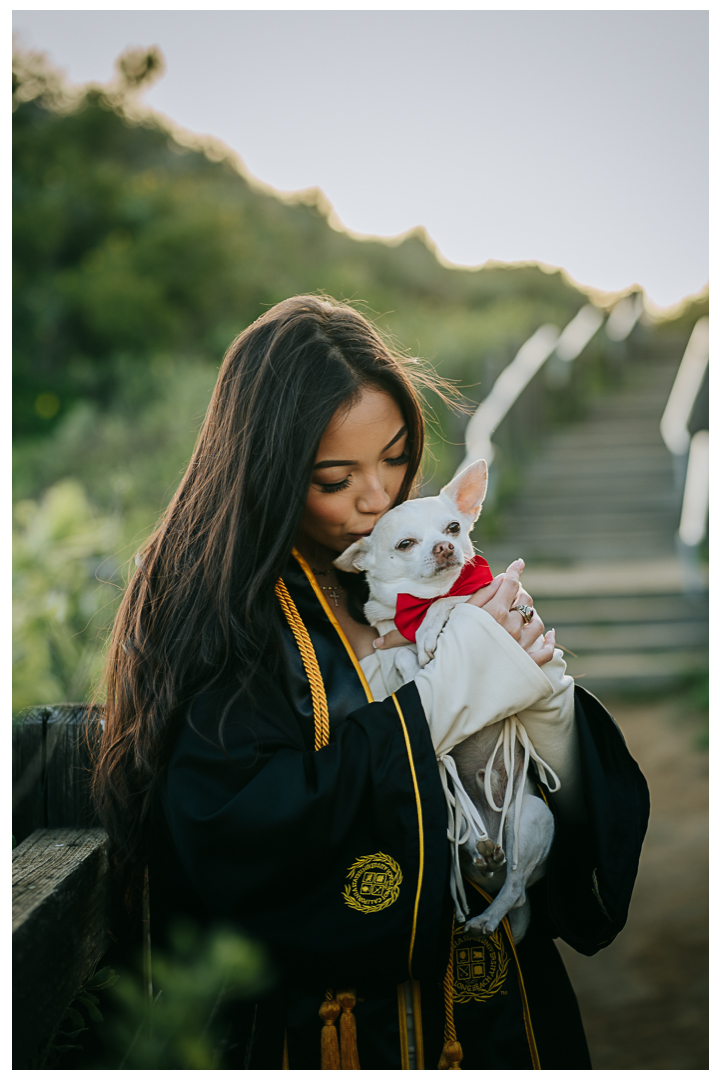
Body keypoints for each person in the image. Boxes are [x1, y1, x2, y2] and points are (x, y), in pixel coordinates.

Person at [93, 294, 650, 1070]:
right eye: (335, 476)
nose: (378, 497)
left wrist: (546, 706)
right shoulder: (216, 611)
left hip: (508, 1018)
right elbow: (236, 825)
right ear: (265, 468)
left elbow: (556, 810)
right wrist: (446, 698)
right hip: (336, 1036)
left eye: (394, 456)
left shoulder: (405, 567)